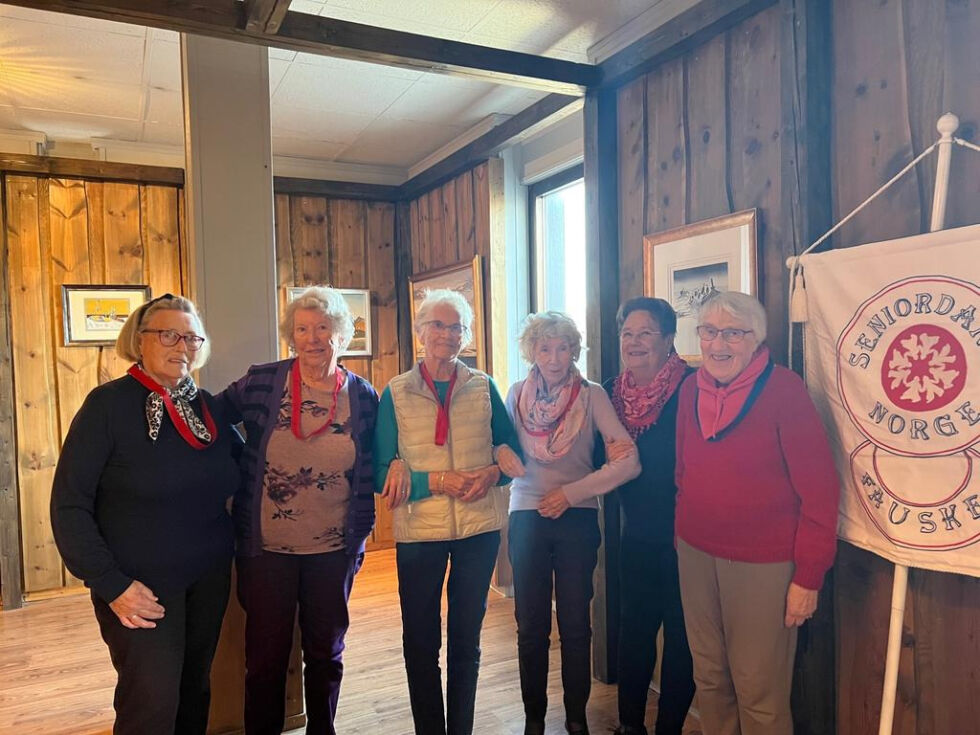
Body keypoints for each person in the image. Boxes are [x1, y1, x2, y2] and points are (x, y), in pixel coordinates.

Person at [50, 294, 239, 735]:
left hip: (207, 579)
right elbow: (68, 505)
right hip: (138, 586)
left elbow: (247, 469)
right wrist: (111, 584)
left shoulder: (205, 407)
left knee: (194, 692)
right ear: (139, 341)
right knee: (151, 703)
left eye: (192, 337)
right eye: (168, 334)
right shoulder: (107, 406)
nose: (182, 346)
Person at [674, 291, 839, 735]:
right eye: (709, 331)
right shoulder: (690, 387)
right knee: (709, 678)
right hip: (695, 553)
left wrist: (808, 577)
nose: (718, 343)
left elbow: (821, 493)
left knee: (758, 691)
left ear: (756, 339)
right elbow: (682, 471)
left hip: (763, 566)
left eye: (733, 333)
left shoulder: (783, 390)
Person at [218, 286, 379, 735]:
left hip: (334, 545)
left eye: (323, 328)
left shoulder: (363, 395)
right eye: (303, 329)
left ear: (341, 335)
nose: (312, 338)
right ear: (291, 335)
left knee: (326, 653)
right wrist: (237, 460)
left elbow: (378, 456)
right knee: (265, 657)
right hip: (266, 548)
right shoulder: (264, 381)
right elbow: (214, 416)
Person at [373, 288, 524, 735]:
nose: (446, 334)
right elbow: (381, 472)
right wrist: (434, 481)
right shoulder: (396, 393)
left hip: (478, 529)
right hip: (419, 533)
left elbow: (511, 452)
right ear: (420, 332)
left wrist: (494, 472)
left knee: (466, 641)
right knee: (420, 642)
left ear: (466, 336)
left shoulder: (482, 386)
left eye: (456, 326)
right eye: (437, 325)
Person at [505, 311, 641, 735]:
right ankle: (533, 719)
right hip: (526, 515)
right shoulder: (514, 395)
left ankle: (577, 718)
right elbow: (501, 452)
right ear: (531, 351)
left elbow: (629, 461)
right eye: (544, 347)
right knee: (530, 626)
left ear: (574, 350)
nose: (555, 357)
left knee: (576, 624)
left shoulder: (592, 395)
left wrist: (572, 493)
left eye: (563, 347)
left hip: (577, 518)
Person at [607, 298, 696, 735]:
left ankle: (669, 729)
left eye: (645, 333)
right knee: (634, 633)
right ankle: (629, 725)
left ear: (668, 339)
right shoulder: (610, 393)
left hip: (687, 539)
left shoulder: (694, 388)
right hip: (635, 535)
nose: (634, 342)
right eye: (627, 333)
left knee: (682, 640)